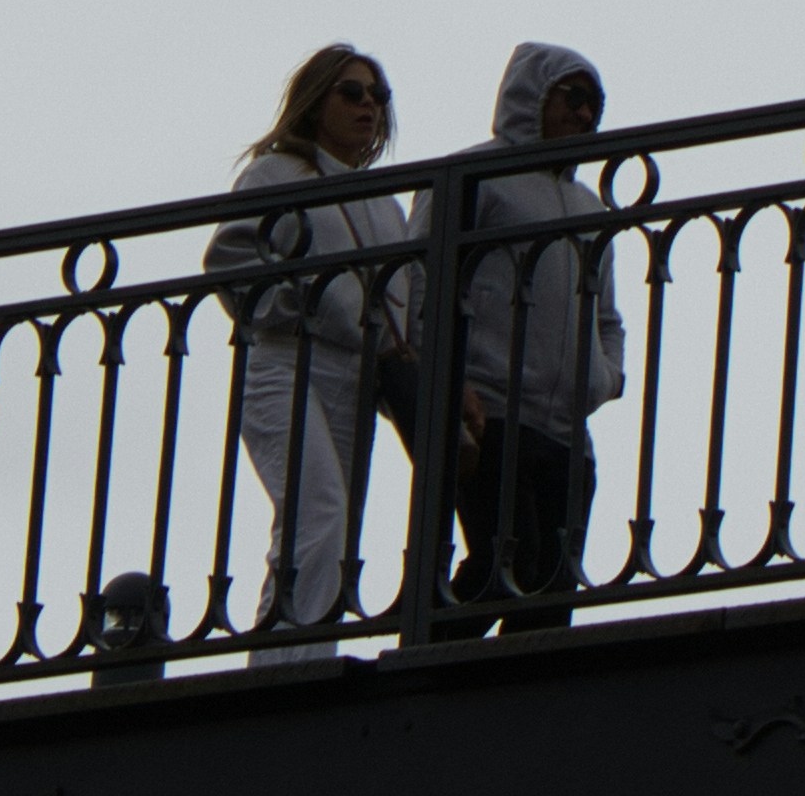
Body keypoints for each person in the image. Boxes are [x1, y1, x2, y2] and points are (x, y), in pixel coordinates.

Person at [203, 43, 410, 663]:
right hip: (287, 361)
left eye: (378, 96)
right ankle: (283, 670)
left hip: (357, 374)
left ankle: (300, 658)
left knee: (331, 531)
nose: (368, 105)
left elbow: (407, 299)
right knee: (316, 511)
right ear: (317, 100)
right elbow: (231, 261)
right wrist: (303, 307)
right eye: (352, 92)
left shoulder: (387, 202)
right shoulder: (276, 173)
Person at [439, 41, 630, 634]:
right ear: (533, 96)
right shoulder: (474, 176)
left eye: (596, 104)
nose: (586, 114)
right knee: (505, 562)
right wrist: (450, 379)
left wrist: (605, 378)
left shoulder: (590, 208)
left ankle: (506, 691)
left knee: (551, 595)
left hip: (569, 434)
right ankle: (426, 663)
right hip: (491, 412)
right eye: (573, 98)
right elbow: (427, 284)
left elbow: (608, 317)